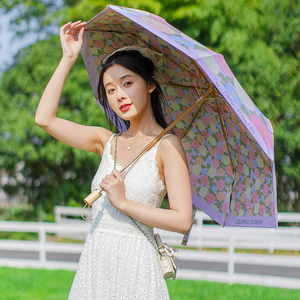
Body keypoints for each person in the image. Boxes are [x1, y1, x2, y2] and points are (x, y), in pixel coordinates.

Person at [35, 21, 192, 300]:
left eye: (127, 83)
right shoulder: (105, 140)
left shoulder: (168, 146)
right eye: (110, 89)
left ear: (150, 85)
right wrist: (68, 58)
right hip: (95, 262)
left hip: (137, 268)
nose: (119, 95)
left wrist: (123, 203)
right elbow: (44, 119)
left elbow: (182, 220)